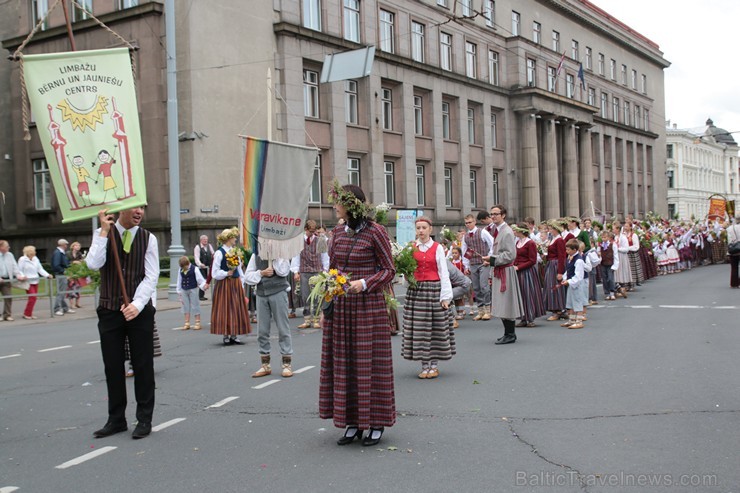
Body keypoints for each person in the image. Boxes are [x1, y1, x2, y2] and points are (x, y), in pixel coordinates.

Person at [320, 182, 396, 447]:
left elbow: (389, 270)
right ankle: (351, 421)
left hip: (368, 307)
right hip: (341, 307)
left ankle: (375, 423)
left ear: (350, 205)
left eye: (337, 202)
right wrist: (325, 304)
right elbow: (332, 269)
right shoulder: (338, 232)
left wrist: (363, 283)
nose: (334, 207)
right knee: (345, 364)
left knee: (369, 364)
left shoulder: (376, 232)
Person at [86, 207, 158, 440]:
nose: (139, 211)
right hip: (109, 310)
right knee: (113, 366)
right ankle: (116, 419)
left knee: (143, 365)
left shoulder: (149, 238)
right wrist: (104, 233)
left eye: (143, 207)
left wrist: (136, 304)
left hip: (139, 312)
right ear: (120, 209)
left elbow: (151, 275)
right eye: (135, 206)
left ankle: (144, 418)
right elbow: (93, 264)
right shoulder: (103, 233)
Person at [401, 217, 455, 379]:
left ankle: (434, 366)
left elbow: (443, 272)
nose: (421, 231)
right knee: (419, 329)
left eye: (424, 228)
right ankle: (424, 366)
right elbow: (407, 271)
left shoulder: (437, 248)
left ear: (430, 230)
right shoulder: (411, 247)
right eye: (418, 228)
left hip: (433, 290)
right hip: (416, 291)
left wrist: (445, 297)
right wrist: (406, 278)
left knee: (434, 328)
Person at [245, 253, 294, 378]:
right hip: (261, 294)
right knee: (262, 331)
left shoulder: (281, 254)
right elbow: (248, 277)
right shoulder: (255, 255)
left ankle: (286, 364)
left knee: (283, 328)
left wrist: (274, 259)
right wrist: (261, 273)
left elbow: (284, 271)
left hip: (278, 291)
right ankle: (265, 365)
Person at [483, 205, 523, 345]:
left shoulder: (506, 232)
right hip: (500, 270)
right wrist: (492, 261)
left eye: (496, 214)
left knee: (506, 303)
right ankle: (508, 333)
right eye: (492, 214)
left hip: (505, 271)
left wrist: (492, 259)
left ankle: (510, 334)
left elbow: (510, 255)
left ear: (503, 215)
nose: (493, 216)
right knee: (501, 303)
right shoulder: (498, 230)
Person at [210, 227, 251, 345]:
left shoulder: (235, 251)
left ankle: (234, 334)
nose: (235, 239)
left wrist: (241, 283)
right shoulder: (219, 253)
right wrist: (226, 273)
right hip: (224, 284)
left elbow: (239, 270)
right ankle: (225, 335)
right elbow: (214, 272)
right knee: (225, 308)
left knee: (236, 308)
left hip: (235, 283)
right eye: (234, 237)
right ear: (228, 238)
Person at [291, 220, 329, 329]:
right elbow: (296, 256)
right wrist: (295, 271)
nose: (312, 233)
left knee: (317, 295)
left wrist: (325, 270)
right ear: (305, 229)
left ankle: (316, 319)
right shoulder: (299, 241)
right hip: (304, 271)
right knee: (305, 295)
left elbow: (325, 257)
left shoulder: (321, 240)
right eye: (310, 231)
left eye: (314, 231)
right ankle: (307, 319)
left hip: (317, 271)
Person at [461, 213, 494, 321]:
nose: (468, 225)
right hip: (473, 263)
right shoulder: (465, 236)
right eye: (466, 223)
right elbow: (464, 252)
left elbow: (492, 243)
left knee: (484, 286)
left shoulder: (482, 232)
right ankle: (481, 311)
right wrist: (466, 266)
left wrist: (489, 257)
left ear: (474, 222)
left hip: (483, 262)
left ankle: (488, 310)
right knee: (476, 287)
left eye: (470, 222)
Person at [512, 223, 545, 328]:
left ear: (521, 231)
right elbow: (516, 257)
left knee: (528, 294)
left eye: (516, 230)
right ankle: (523, 318)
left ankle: (530, 318)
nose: (515, 232)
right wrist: (513, 265)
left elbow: (532, 260)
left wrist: (519, 267)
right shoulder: (517, 242)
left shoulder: (530, 243)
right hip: (518, 272)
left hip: (527, 272)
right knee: (520, 295)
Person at [17, 245, 52, 320]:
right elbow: (19, 270)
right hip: (27, 281)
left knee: (34, 298)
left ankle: (29, 313)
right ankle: (27, 313)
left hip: (35, 280)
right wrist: (23, 276)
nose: (35, 252)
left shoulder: (36, 259)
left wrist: (47, 275)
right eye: (34, 251)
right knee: (32, 297)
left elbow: (40, 269)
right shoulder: (22, 259)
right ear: (30, 252)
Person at [176, 256, 208, 330]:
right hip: (184, 290)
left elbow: (200, 279)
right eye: (183, 267)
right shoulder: (180, 269)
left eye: (185, 267)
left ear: (188, 263)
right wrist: (179, 290)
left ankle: (197, 322)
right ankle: (187, 322)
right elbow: (179, 280)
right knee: (185, 306)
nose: (184, 268)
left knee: (195, 305)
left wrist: (204, 286)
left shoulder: (195, 269)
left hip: (193, 289)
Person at [543, 221, 567, 321]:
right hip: (550, 264)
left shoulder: (559, 240)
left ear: (556, 229)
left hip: (556, 265)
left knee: (555, 287)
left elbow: (562, 256)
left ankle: (558, 310)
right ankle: (555, 310)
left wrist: (560, 272)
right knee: (550, 287)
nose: (549, 230)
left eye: (551, 229)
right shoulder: (553, 239)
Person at [560, 239, 587, 329]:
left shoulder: (578, 260)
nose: (566, 251)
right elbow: (568, 271)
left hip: (577, 285)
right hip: (571, 284)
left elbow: (579, 275)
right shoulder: (569, 258)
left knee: (577, 301)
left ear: (575, 250)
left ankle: (579, 321)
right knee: (570, 302)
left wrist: (569, 281)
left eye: (568, 250)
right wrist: (565, 279)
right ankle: (571, 320)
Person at [0, 240, 26, 321]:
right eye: (7, 246)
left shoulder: (10, 255)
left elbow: (14, 266)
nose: (9, 247)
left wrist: (18, 275)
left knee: (8, 297)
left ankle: (7, 315)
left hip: (7, 280)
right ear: (1, 247)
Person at [446, 257, 472, 329]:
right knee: (446, 296)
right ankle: (452, 319)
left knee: (445, 297)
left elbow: (446, 281)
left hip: (463, 285)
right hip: (464, 283)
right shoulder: (445, 261)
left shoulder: (444, 264)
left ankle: (453, 321)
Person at [52, 239, 75, 317]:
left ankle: (65, 308)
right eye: (65, 244)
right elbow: (56, 265)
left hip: (62, 274)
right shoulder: (58, 253)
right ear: (62, 245)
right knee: (61, 292)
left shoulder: (60, 253)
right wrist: (64, 271)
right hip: (61, 274)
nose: (66, 246)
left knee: (62, 291)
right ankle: (56, 309)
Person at [598, 231, 620, 300]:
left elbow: (615, 255)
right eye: (602, 237)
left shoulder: (612, 244)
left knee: (610, 278)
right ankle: (607, 293)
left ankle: (612, 292)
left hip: (610, 264)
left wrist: (615, 265)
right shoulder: (600, 245)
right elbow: (599, 254)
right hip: (603, 264)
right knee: (604, 279)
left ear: (608, 237)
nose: (603, 239)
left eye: (605, 237)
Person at [194, 235, 214, 301]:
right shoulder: (197, 247)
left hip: (208, 266)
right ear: (201, 240)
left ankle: (203, 295)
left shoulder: (209, 246)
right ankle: (200, 296)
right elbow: (196, 257)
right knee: (203, 280)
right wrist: (200, 264)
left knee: (207, 280)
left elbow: (213, 254)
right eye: (204, 239)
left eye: (206, 239)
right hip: (201, 267)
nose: (206, 241)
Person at [67, 241, 85, 309]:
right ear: (73, 246)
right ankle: (72, 304)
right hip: (71, 272)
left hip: (78, 272)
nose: (78, 247)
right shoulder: (68, 253)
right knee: (71, 287)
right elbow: (66, 262)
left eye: (79, 246)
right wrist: (73, 262)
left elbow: (82, 261)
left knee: (78, 287)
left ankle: (77, 303)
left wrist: (80, 262)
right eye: (76, 245)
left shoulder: (79, 254)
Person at [727, 219, 740, 288]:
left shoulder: (729, 229)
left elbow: (729, 240)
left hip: (733, 249)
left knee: (734, 267)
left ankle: (734, 283)